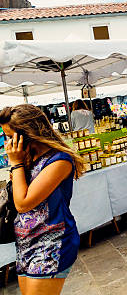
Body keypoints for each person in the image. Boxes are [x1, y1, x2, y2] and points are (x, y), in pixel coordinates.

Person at [0, 104, 84, 295]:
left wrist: (15, 163)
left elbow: (23, 203)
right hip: (25, 243)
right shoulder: (29, 158)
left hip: (51, 244)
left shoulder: (59, 161)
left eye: (11, 137)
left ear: (29, 133)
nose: (8, 143)